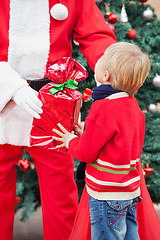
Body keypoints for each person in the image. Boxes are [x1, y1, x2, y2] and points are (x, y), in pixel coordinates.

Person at [0, 1, 117, 240]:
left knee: (61, 193)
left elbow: (95, 35)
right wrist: (11, 86)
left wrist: (113, 72)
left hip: (55, 102)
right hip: (3, 98)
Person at [52, 42, 151, 239]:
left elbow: (85, 153)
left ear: (105, 75)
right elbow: (117, 144)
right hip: (130, 191)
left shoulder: (103, 108)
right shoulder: (133, 108)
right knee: (131, 234)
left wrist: (70, 140)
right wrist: (85, 135)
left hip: (107, 196)